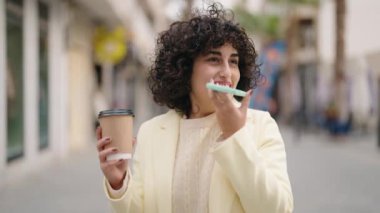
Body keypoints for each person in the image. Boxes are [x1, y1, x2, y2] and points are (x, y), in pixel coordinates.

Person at [96, 3, 293, 213]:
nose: (227, 72)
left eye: (233, 62)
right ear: (185, 69)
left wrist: (235, 135)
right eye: (214, 59)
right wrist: (119, 184)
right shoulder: (151, 132)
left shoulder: (260, 126)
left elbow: (277, 209)